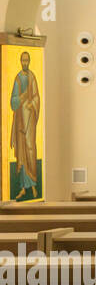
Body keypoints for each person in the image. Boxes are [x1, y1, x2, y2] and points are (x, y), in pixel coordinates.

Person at [9, 51, 40, 201]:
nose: (25, 63)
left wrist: (31, 103)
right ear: (20, 61)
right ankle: (22, 187)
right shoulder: (18, 79)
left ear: (30, 61)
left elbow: (37, 98)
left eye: (27, 60)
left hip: (30, 120)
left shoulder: (32, 77)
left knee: (30, 148)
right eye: (23, 60)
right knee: (21, 150)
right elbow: (13, 102)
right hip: (21, 119)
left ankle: (33, 183)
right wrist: (21, 98)